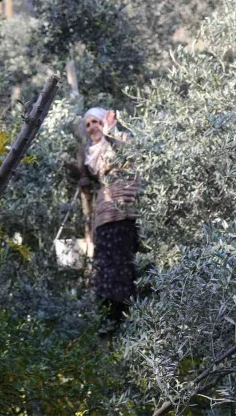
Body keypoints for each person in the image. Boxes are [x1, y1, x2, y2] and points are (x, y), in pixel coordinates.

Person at [71, 107, 141, 326]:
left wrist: (110, 131)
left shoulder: (119, 137)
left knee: (124, 264)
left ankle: (129, 316)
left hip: (126, 210)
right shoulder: (90, 152)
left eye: (96, 121)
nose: (92, 127)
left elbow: (129, 152)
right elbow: (90, 179)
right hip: (104, 215)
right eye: (88, 124)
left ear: (104, 121)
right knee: (106, 267)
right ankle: (110, 320)